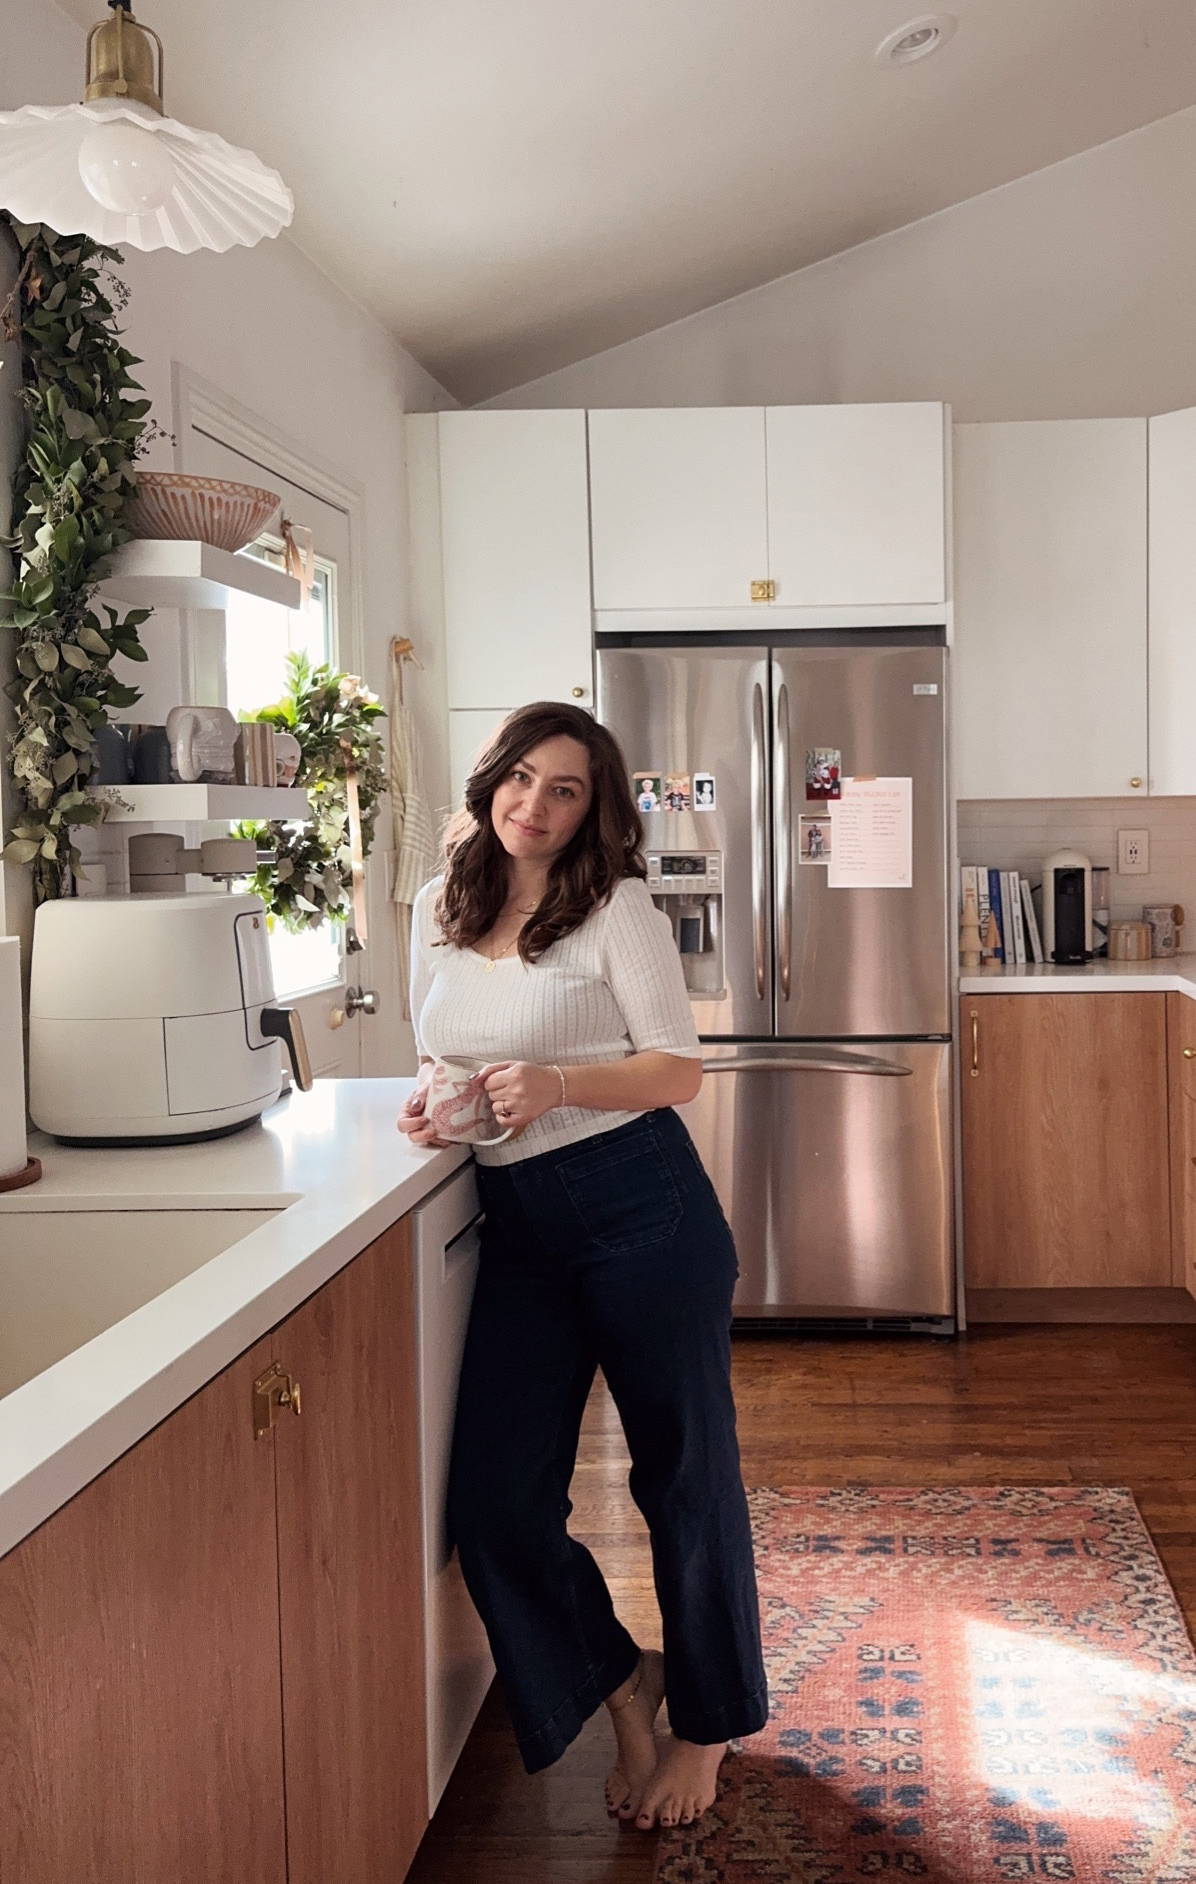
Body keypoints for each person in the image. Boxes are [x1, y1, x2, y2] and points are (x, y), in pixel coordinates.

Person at [399, 701, 767, 1831]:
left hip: (642, 1209)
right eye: (522, 777)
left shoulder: (616, 905)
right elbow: (443, 1041)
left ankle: (705, 1723)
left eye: (565, 788)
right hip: (522, 1223)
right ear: (489, 777)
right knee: (498, 1503)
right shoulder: (437, 900)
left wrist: (558, 1085)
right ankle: (626, 1687)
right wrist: (438, 1100)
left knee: (683, 1477)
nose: (537, 805)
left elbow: (676, 1068)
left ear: (594, 806)